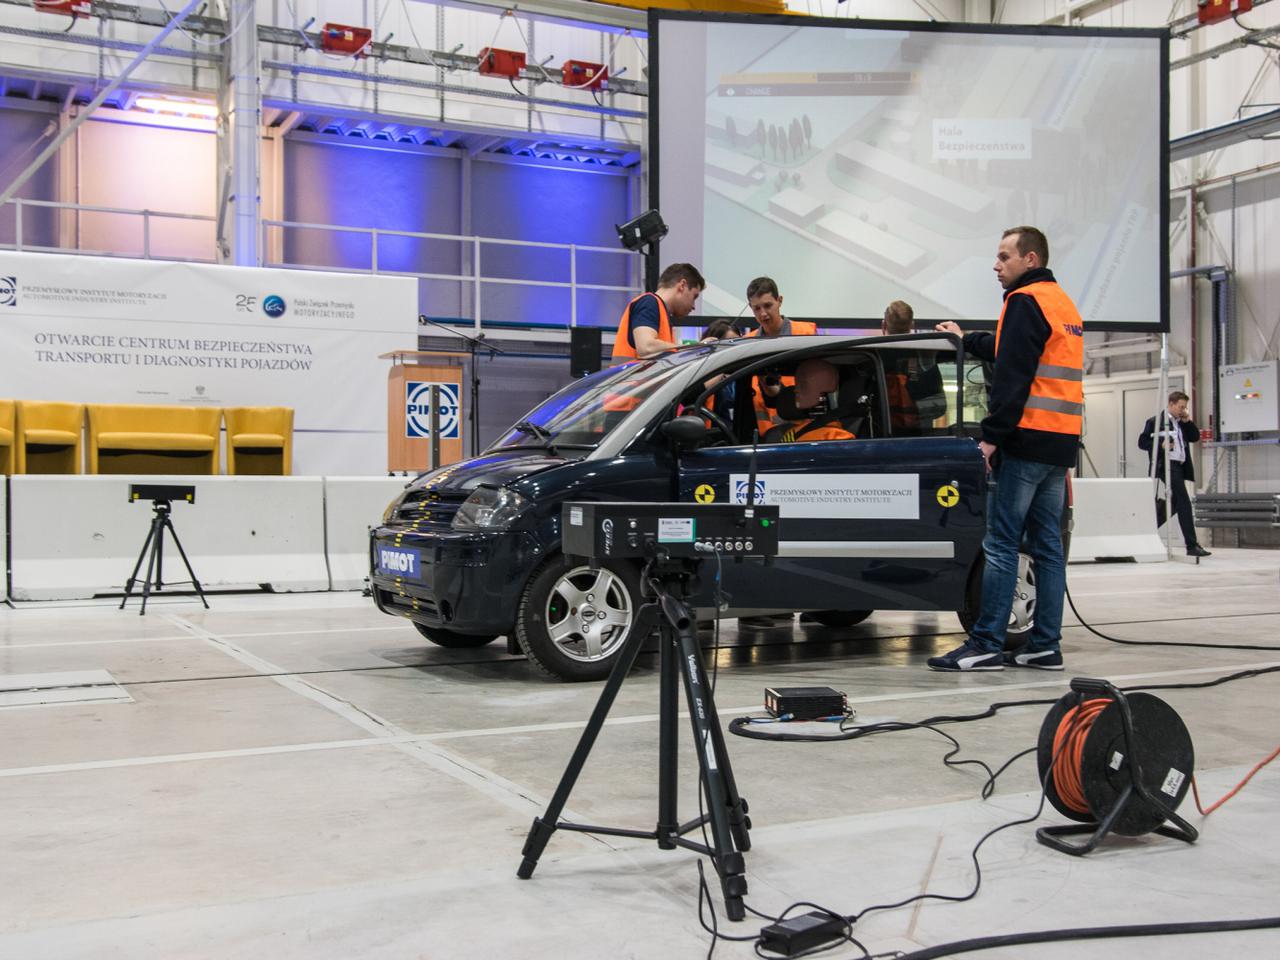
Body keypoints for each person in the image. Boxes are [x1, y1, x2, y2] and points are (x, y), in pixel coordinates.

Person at [928, 226, 1083, 672]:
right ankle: (1044, 645)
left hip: (1025, 441)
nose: (996, 266)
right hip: (1059, 445)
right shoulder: (1061, 303)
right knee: (1048, 549)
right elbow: (1011, 348)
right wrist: (966, 338)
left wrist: (990, 439)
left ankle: (987, 642)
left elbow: (1013, 377)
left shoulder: (1023, 301)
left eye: (1004, 257)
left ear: (1030, 260)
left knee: (1000, 545)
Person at [742, 277, 818, 437]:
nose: (763, 314)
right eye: (757, 308)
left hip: (806, 429)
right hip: (767, 435)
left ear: (779, 301)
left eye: (768, 305)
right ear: (750, 307)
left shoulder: (806, 333)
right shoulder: (747, 344)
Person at [1138, 391, 1211, 558]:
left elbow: (1194, 437)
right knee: (1184, 502)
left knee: (1177, 503)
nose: (1183, 410)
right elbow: (1142, 442)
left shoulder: (1181, 423)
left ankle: (1145, 531)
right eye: (1180, 407)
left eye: (1185, 407)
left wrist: (1187, 421)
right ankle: (1191, 545)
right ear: (1171, 404)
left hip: (1179, 466)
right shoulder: (1156, 422)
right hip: (1167, 466)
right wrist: (1161, 445)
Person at [610, 263, 705, 364]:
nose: (694, 306)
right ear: (682, 285)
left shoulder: (660, 311)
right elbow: (646, 347)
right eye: (694, 297)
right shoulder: (649, 303)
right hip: (632, 379)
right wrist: (694, 348)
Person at [881, 300, 945, 435]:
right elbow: (939, 407)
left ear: (884, 325)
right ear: (912, 325)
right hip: (919, 437)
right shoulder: (924, 358)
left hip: (877, 435)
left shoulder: (869, 357)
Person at [761, 359, 857, 443]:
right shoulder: (792, 433)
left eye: (803, 385)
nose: (795, 390)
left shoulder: (837, 438)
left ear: (826, 386)